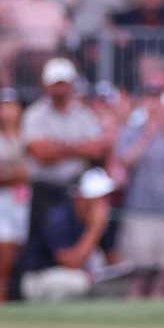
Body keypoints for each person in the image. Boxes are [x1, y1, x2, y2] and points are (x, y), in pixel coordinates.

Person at [21, 59, 107, 273]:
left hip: (75, 191)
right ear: (45, 85)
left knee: (75, 240)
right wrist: (78, 147)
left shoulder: (83, 115)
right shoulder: (35, 114)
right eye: (55, 83)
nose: (60, 88)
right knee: (42, 247)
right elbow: (40, 153)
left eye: (64, 83)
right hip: (45, 190)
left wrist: (58, 147)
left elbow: (97, 149)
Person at [111, 86, 164, 298]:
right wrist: (147, 135)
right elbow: (125, 160)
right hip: (140, 208)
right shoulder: (132, 130)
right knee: (138, 270)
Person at [17, 167, 116, 301]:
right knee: (80, 282)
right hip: (38, 279)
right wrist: (95, 229)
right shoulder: (58, 218)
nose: (103, 204)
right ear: (80, 198)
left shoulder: (98, 219)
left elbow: (112, 257)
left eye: (106, 198)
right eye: (98, 198)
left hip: (73, 275)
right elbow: (70, 263)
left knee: (114, 284)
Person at [0, 0, 72, 87]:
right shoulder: (15, 0)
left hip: (48, 50)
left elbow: (65, 29)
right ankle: (7, 93)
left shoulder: (52, 5)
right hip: (20, 46)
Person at [0, 88, 27, 301]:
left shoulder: (26, 133)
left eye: (11, 105)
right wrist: (17, 175)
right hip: (4, 200)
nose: (7, 111)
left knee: (21, 250)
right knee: (5, 251)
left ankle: (16, 299)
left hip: (25, 199)